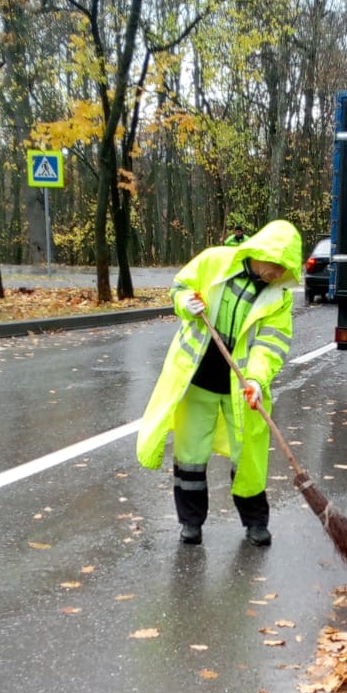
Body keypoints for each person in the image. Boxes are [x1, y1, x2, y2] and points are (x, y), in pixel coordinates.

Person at [136, 219, 303, 546]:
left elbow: (271, 345)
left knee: (249, 457)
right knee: (190, 456)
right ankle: (191, 523)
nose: (276, 274)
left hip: (241, 390)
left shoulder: (278, 298)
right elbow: (180, 286)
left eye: (284, 269)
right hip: (196, 381)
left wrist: (256, 380)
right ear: (261, 252)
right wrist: (186, 303)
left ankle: (256, 523)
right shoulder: (214, 261)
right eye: (275, 265)